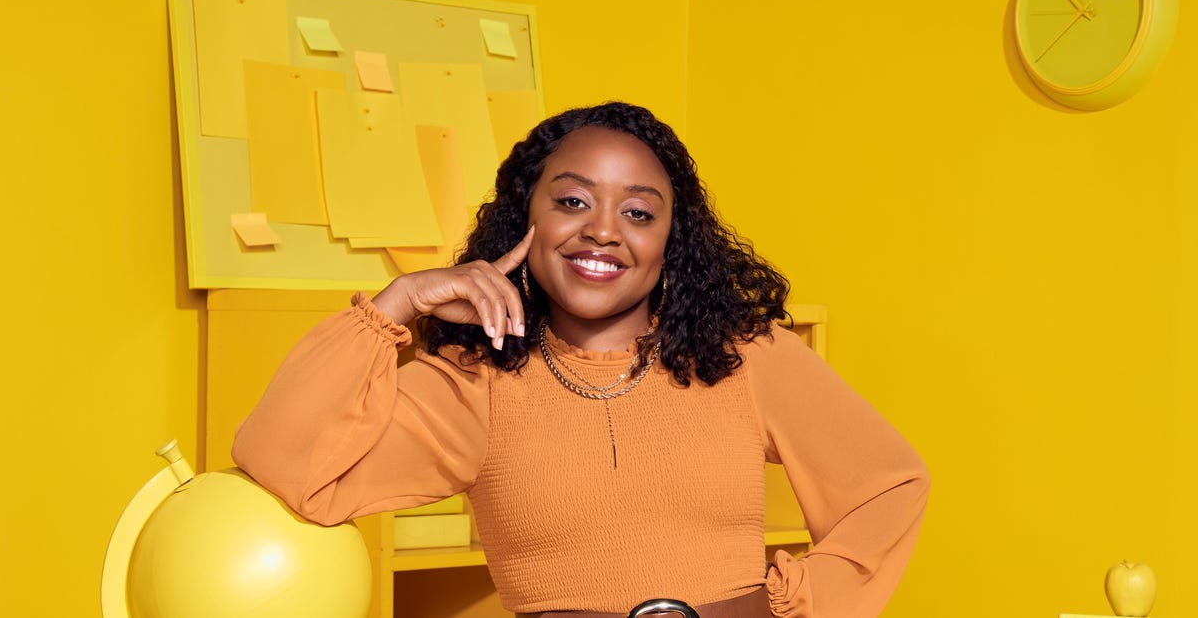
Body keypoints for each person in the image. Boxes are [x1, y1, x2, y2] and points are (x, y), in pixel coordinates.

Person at [232, 101, 929, 618]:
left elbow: (888, 484)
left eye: (638, 212)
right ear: (525, 216)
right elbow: (289, 464)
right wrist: (396, 303)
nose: (601, 230)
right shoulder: (475, 383)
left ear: (670, 239)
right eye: (572, 201)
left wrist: (796, 603)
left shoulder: (744, 356)